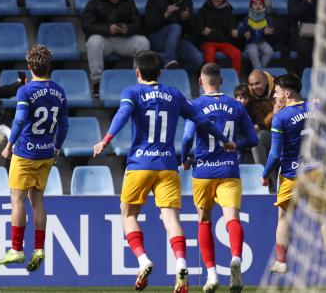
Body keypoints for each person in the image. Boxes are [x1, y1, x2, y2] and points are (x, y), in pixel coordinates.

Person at [92, 51, 237, 293]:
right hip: (167, 167)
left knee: (128, 215)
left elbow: (123, 114)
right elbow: (202, 120)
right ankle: (180, 262)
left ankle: (143, 260)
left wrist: (105, 140)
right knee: (171, 219)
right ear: (160, 73)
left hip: (139, 165)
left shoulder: (132, 92)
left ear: (137, 72)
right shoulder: (174, 94)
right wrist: (224, 139)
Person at [180, 63, 258, 293]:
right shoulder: (235, 105)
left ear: (200, 81)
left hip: (203, 172)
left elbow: (186, 139)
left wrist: (185, 158)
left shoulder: (195, 105)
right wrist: (236, 144)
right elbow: (253, 139)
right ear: (221, 81)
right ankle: (235, 258)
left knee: (204, 221)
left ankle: (212, 274)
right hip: (229, 171)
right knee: (232, 218)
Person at [0, 45, 69, 273]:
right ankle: (39, 249)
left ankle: (16, 249)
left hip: (26, 152)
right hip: (46, 153)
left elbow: (18, 122)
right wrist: (56, 147)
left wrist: (9, 145)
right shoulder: (59, 91)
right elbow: (64, 124)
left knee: (17, 200)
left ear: (29, 67)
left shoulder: (25, 91)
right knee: (37, 201)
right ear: (50, 67)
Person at [261, 73, 326, 279]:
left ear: (287, 93)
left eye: (277, 91)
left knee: (283, 217)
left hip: (291, 175)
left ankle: (281, 262)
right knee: (323, 218)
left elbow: (274, 153)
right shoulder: (314, 107)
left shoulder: (281, 117)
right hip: (315, 172)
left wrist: (265, 173)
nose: (274, 95)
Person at [83, 0, 150, 97]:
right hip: (104, 40)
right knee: (93, 42)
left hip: (124, 40)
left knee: (143, 42)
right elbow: (87, 25)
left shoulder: (128, 2)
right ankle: (97, 82)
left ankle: (138, 83)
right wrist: (108, 29)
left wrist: (128, 29)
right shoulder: (94, 2)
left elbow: (138, 23)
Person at [145, 0, 204, 74]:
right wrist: (166, 15)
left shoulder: (187, 1)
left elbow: (190, 30)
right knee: (175, 27)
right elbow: (149, 25)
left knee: (198, 58)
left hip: (177, 42)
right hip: (157, 39)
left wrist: (186, 19)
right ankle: (168, 61)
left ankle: (177, 76)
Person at [195, 0, 241, 76]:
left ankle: (236, 79)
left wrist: (234, 31)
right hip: (207, 42)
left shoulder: (228, 11)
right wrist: (202, 31)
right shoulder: (203, 10)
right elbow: (196, 27)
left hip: (223, 42)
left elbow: (232, 26)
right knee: (210, 53)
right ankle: (209, 79)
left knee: (236, 53)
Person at [247, 69, 278, 192]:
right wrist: (273, 113)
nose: (255, 87)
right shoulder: (250, 98)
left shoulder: (280, 87)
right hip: (269, 133)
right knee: (257, 139)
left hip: (287, 133)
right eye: (252, 84)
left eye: (257, 83)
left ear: (266, 80)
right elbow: (261, 123)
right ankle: (268, 182)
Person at [288, 0, 317, 75]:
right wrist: (308, 1)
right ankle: (304, 79)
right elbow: (295, 14)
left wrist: (313, 0)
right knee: (304, 47)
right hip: (299, 36)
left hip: (316, 34)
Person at [237, 0, 274, 70]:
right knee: (253, 52)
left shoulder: (266, 19)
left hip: (262, 42)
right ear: (251, 6)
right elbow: (240, 30)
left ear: (263, 6)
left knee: (269, 51)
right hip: (251, 43)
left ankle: (260, 70)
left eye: (260, 4)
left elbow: (272, 29)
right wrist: (244, 33)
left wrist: (268, 31)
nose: (258, 6)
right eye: (255, 4)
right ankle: (259, 70)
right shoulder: (247, 19)